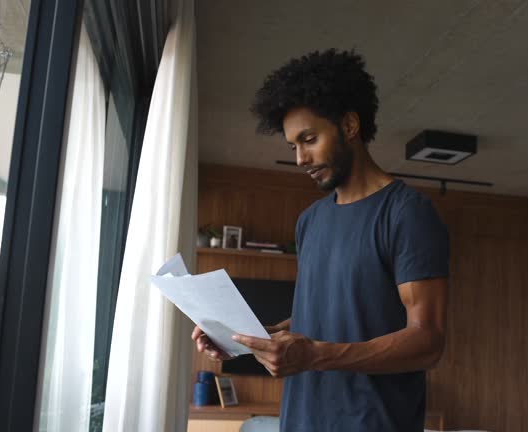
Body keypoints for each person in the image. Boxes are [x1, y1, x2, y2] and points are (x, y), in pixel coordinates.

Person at [191, 49, 449, 432]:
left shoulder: (406, 213)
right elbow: (328, 311)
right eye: (293, 145)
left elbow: (427, 340)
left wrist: (315, 356)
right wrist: (248, 338)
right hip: (300, 420)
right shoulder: (310, 221)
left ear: (349, 125)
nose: (300, 159)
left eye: (309, 139)